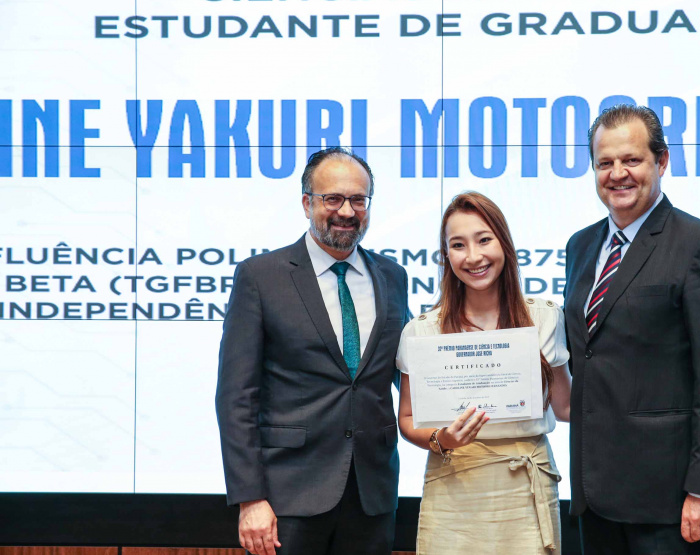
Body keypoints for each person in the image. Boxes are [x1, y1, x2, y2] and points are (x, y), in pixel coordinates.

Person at [563, 105, 700, 555]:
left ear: (661, 161)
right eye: (604, 163)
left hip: (674, 505)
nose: (618, 174)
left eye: (632, 160)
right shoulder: (581, 245)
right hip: (597, 497)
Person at [215, 147, 410, 555]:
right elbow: (237, 397)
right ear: (307, 203)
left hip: (372, 494)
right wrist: (250, 498)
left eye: (358, 199)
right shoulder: (261, 277)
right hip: (288, 498)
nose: (347, 211)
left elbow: (409, 369)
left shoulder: (392, 276)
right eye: (333, 198)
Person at [396, 192, 573, 554]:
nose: (473, 257)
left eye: (484, 239)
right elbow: (409, 418)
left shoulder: (545, 318)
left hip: (527, 483)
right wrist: (443, 439)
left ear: (504, 244)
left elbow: (567, 407)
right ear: (446, 256)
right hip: (453, 483)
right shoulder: (422, 331)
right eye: (458, 245)